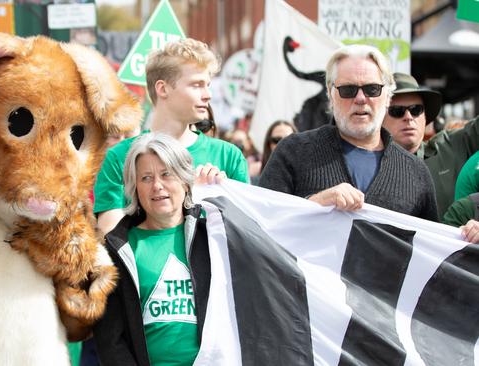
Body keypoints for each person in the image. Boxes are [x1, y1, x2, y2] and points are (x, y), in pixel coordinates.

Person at [258, 45, 438, 221]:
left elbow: (432, 246)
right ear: (330, 94)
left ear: (388, 97)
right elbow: (259, 225)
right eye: (348, 90)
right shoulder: (293, 152)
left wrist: (465, 236)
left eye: (372, 89)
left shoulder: (416, 172)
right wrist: (315, 205)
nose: (360, 99)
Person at [93, 38, 249, 235]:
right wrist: (192, 196)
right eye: (196, 85)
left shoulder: (229, 155)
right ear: (163, 89)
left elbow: (246, 234)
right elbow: (111, 238)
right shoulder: (119, 156)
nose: (208, 94)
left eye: (207, 84)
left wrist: (221, 197)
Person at [94, 133, 210, 365]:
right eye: (146, 178)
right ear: (135, 188)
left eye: (166, 174)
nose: (157, 186)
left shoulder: (211, 239)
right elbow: (110, 340)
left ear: (185, 182)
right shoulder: (118, 250)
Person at [382, 72, 479, 218]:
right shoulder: (366, 166)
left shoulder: (451, 146)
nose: (408, 117)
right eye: (397, 111)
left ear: (425, 116)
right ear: (379, 118)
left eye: (416, 110)